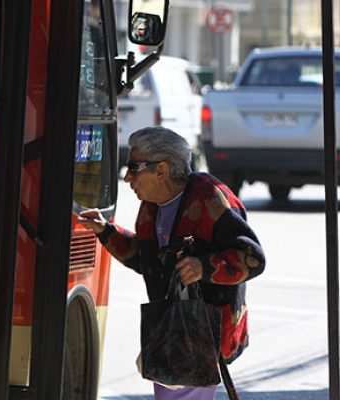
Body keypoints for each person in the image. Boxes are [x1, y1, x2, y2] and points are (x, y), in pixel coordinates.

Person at [79, 126, 265, 399]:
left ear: (162, 170)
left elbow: (253, 258)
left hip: (201, 330)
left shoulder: (209, 197)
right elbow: (145, 259)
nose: (127, 177)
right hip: (171, 328)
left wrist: (204, 266)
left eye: (134, 167)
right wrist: (106, 231)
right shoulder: (151, 205)